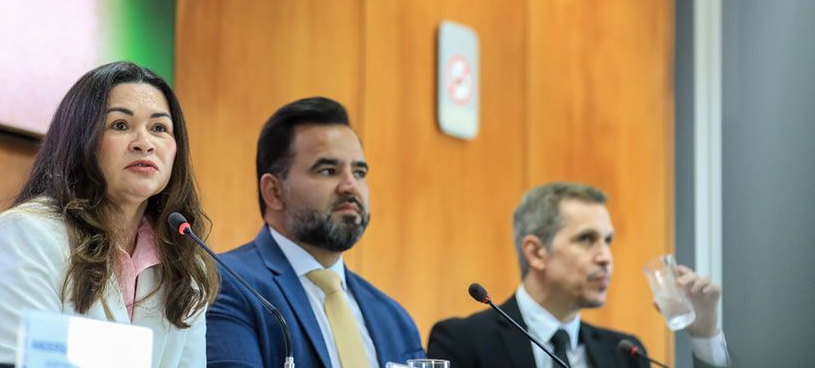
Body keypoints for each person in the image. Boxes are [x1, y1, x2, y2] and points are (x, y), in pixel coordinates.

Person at [0, 61, 219, 366]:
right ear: (81, 140)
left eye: (159, 128)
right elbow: (19, 361)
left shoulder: (183, 259)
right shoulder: (24, 234)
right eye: (120, 125)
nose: (145, 143)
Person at [205, 97, 425, 367]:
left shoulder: (395, 320)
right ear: (274, 192)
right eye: (328, 170)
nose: (350, 186)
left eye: (359, 172)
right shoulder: (227, 284)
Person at [428, 182, 730, 367]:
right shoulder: (463, 342)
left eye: (608, 241)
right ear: (536, 252)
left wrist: (705, 336)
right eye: (586, 239)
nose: (606, 257)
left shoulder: (626, 354)